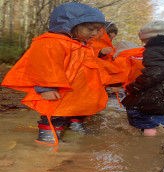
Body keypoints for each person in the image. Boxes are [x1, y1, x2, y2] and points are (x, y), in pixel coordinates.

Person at [1, 2, 109, 145]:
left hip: (74, 90)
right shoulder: (51, 42)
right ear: (71, 25)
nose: (95, 33)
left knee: (75, 108)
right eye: (91, 29)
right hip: (56, 89)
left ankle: (75, 126)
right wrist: (46, 88)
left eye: (97, 30)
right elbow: (45, 66)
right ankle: (48, 137)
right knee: (54, 113)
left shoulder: (80, 45)